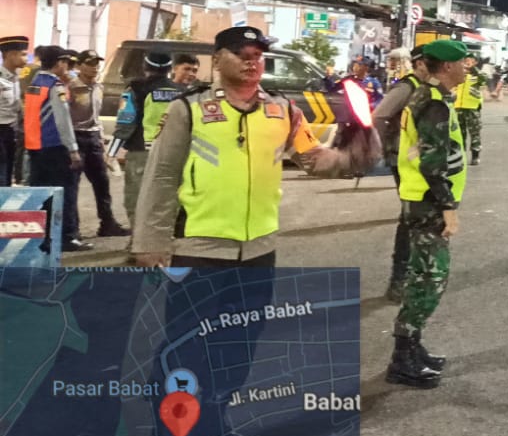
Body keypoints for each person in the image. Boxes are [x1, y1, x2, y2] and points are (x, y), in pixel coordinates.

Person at [131, 26, 379, 268]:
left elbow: (313, 159)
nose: (251, 62)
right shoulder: (187, 108)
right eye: (240, 54)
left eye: (257, 55)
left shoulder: (283, 109)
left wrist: (355, 156)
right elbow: (162, 175)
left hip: (260, 248)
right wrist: (150, 241)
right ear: (216, 61)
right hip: (199, 247)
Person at [389, 39, 473, 390]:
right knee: (429, 280)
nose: (467, 68)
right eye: (463, 63)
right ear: (448, 66)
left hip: (422, 199)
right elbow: (432, 163)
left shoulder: (432, 96)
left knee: (424, 277)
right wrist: (448, 208)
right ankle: (402, 358)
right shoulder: (434, 103)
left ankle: (412, 347)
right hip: (428, 203)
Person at [373, 46, 426, 301]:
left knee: (418, 216)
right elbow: (379, 116)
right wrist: (382, 146)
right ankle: (398, 279)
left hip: (422, 161)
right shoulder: (407, 87)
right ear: (420, 64)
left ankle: (415, 273)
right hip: (402, 159)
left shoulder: (429, 87)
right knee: (408, 217)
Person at [25, 47, 89, 251]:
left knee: (41, 194)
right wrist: (73, 149)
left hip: (35, 146)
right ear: (59, 63)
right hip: (55, 146)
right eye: (65, 62)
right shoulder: (55, 86)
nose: (67, 66)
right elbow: (62, 120)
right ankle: (67, 238)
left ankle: (43, 238)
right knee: (64, 192)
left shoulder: (35, 83)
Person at [110, 51, 183, 229]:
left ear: (145, 66)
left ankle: (139, 239)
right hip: (173, 153)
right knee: (167, 199)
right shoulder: (182, 91)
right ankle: (164, 237)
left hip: (141, 152)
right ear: (170, 69)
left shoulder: (135, 89)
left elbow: (126, 121)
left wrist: (111, 152)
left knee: (137, 199)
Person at [68, 51, 126, 238]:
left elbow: (96, 116)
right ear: (79, 66)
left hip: (93, 138)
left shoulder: (98, 87)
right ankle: (72, 229)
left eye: (96, 63)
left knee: (102, 183)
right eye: (90, 63)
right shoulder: (71, 87)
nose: (94, 67)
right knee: (73, 185)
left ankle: (107, 224)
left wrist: (100, 138)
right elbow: (64, 117)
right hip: (76, 136)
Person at [0, 35, 26, 186]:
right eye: (23, 54)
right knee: (1, 173)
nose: (26, 59)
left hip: (11, 130)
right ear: (10, 55)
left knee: (8, 172)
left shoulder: (15, 78)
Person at [454, 54, 487, 165]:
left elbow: (484, 80)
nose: (467, 62)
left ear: (475, 62)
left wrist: (473, 69)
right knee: (459, 134)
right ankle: (461, 156)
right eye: (466, 60)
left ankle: (475, 156)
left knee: (474, 133)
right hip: (458, 108)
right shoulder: (460, 74)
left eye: (471, 61)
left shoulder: (477, 75)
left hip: (472, 108)